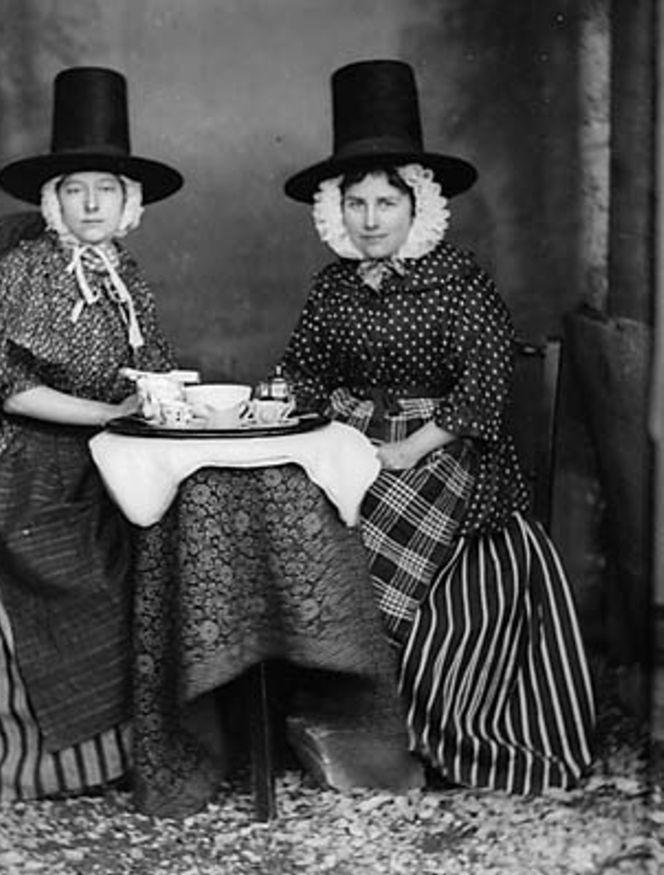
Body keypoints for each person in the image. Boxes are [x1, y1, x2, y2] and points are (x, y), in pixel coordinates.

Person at [278, 60, 595, 793]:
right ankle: (351, 720)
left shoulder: (460, 279)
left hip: (445, 449)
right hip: (352, 444)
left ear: (416, 205)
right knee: (297, 517)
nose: (370, 218)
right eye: (355, 203)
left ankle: (431, 727)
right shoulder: (332, 286)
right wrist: (305, 418)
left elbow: (485, 384)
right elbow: (302, 370)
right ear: (336, 211)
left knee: (431, 542)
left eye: (386, 201)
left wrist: (409, 447)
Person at [0, 67, 183, 801]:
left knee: (156, 540)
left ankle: (107, 753)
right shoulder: (26, 270)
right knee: (57, 571)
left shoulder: (128, 277)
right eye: (74, 188)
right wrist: (105, 416)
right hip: (23, 461)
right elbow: (7, 387)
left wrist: (152, 398)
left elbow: (143, 370)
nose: (90, 203)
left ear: (129, 201)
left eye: (105, 188)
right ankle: (21, 758)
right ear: (52, 199)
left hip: (101, 455)